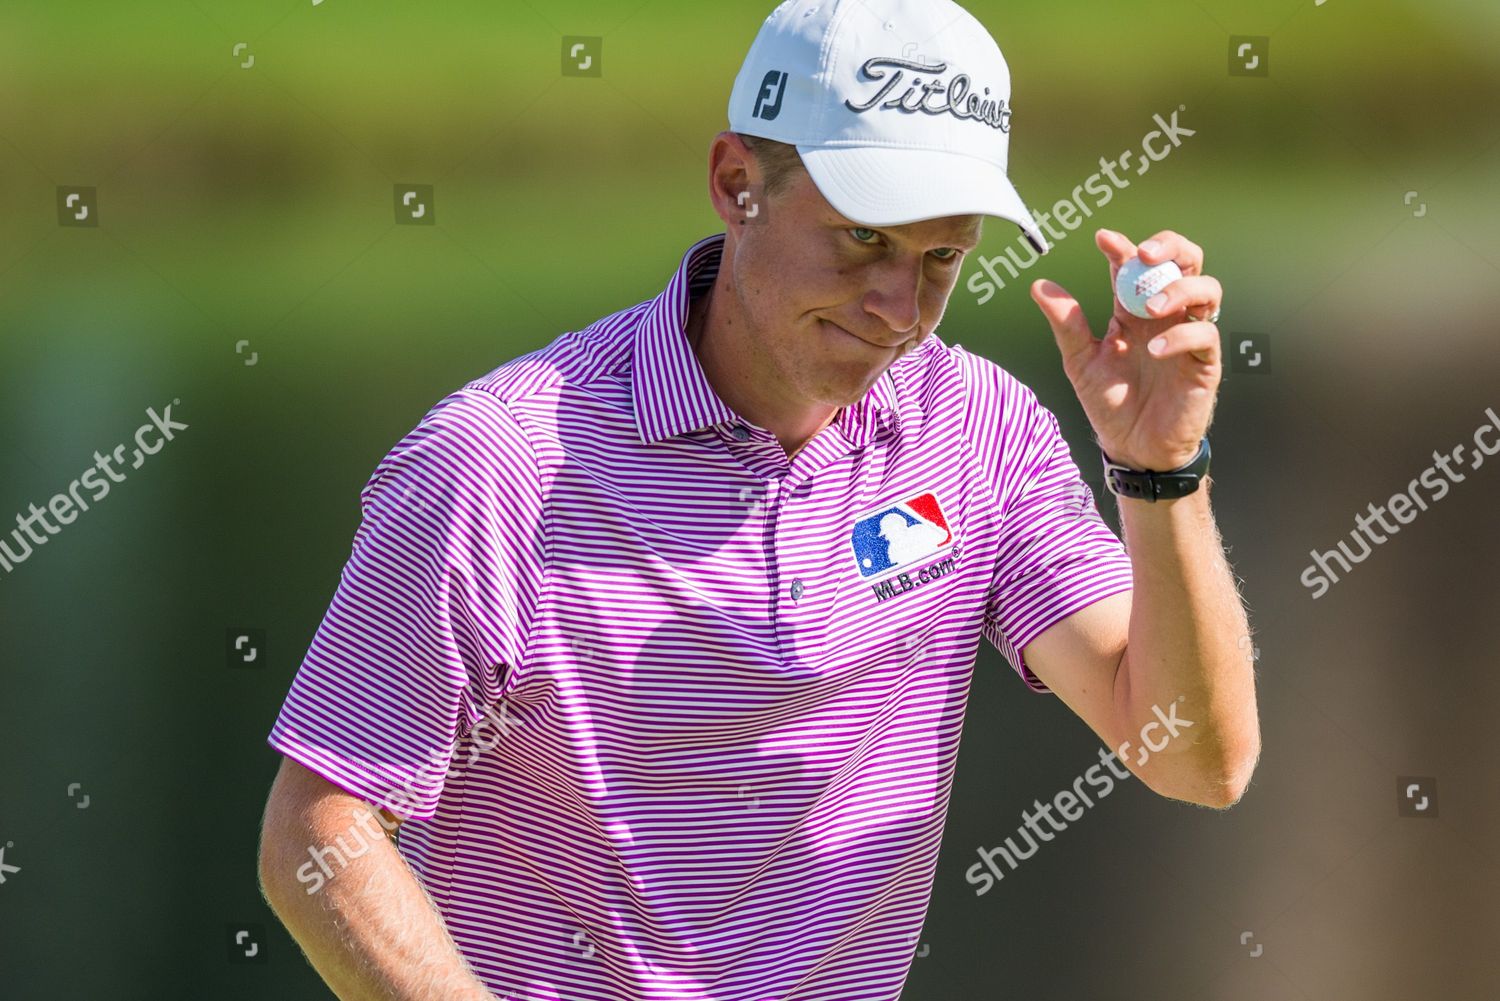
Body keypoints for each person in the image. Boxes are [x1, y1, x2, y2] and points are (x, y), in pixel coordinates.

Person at [256, 1, 1260, 998]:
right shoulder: (499, 463)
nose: (898, 309)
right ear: (737, 183)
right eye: (862, 237)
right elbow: (319, 822)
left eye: (941, 256)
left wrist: (1162, 471)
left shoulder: (979, 426)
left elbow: (1193, 757)